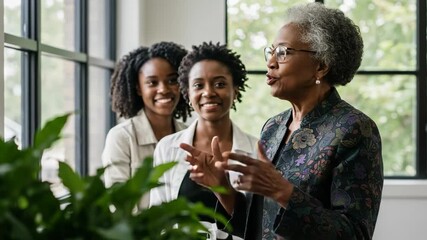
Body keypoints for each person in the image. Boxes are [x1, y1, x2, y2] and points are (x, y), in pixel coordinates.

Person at [182, 3, 384, 240]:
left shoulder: (355, 129)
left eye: (283, 52)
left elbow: (355, 234)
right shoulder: (273, 127)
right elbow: (257, 225)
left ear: (321, 66)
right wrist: (223, 189)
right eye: (271, 52)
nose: (271, 62)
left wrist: (283, 191)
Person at [149, 42, 258, 239]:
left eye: (220, 84)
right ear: (188, 94)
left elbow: (260, 226)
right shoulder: (167, 148)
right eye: (198, 85)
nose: (208, 92)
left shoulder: (257, 151)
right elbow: (157, 220)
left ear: (236, 90)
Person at [102, 42, 191, 209]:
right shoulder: (122, 137)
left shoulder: (188, 134)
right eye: (152, 82)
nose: (163, 89)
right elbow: (117, 203)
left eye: (172, 80)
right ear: (138, 88)